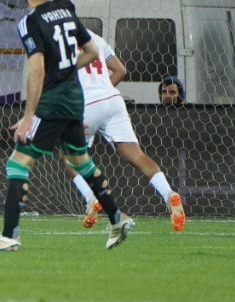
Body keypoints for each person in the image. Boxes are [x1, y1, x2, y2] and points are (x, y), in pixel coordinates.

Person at [0, 0, 133, 251]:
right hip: (74, 99)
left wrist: (28, 116)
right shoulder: (66, 10)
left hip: (54, 103)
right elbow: (92, 51)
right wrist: (65, 68)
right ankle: (117, 220)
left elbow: (36, 69)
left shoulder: (30, 22)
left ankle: (10, 235)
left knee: (17, 163)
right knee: (81, 162)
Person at [64, 30, 185, 231]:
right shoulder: (96, 38)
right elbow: (120, 70)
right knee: (137, 155)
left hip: (85, 104)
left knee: (71, 159)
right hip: (113, 100)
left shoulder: (59, 40)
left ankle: (91, 198)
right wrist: (103, 91)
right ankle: (169, 194)